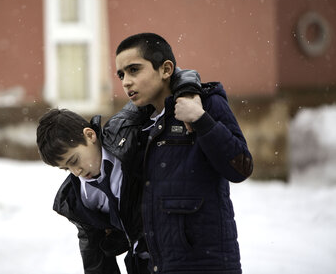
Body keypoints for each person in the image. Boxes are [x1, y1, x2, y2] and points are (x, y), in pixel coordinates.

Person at [103, 32, 253, 274]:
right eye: (121, 74)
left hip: (205, 264)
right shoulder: (136, 126)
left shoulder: (206, 103)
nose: (126, 81)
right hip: (154, 265)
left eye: (134, 70)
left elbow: (240, 167)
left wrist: (201, 120)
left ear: (166, 69)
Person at [36, 70, 202, 274]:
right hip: (142, 263)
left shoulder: (123, 129)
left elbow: (169, 76)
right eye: (66, 168)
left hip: (181, 246)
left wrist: (188, 94)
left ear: (89, 135)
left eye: (74, 160)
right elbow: (94, 256)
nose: (76, 171)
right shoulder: (80, 198)